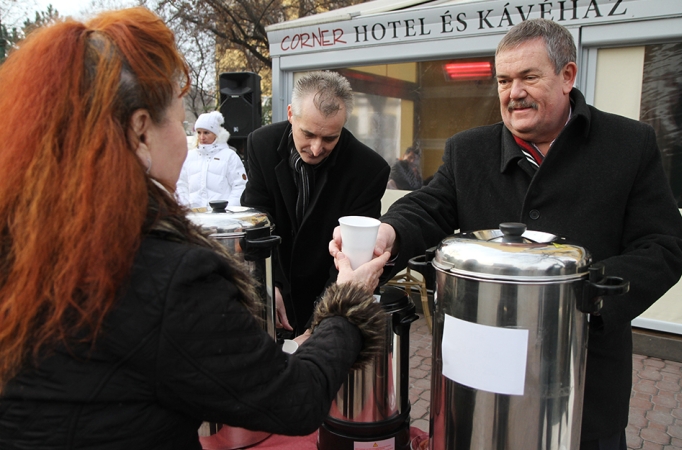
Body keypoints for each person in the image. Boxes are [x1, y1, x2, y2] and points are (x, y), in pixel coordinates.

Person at [0, 8, 391, 450]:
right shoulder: (172, 276)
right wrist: (349, 303)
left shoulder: (23, 235)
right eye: (180, 119)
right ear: (141, 131)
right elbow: (295, 399)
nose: (188, 138)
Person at [331, 18, 682, 450]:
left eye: (528, 77)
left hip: (583, 382)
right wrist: (390, 231)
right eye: (503, 79)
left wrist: (584, 296)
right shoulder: (469, 149)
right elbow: (428, 205)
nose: (513, 92)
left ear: (567, 76)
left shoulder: (629, 145)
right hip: (480, 382)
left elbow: (664, 246)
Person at [241, 71, 390, 338]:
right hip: (276, 290)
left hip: (332, 296)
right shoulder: (261, 144)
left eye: (330, 138)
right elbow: (257, 220)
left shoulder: (369, 170)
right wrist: (267, 284)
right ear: (290, 114)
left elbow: (353, 257)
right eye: (308, 134)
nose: (317, 147)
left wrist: (317, 326)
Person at [176, 111, 247, 209]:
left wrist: (229, 209)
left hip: (221, 217)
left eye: (206, 132)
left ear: (216, 134)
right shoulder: (189, 156)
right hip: (195, 217)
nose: (202, 137)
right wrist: (185, 206)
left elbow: (240, 185)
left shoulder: (229, 156)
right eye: (199, 132)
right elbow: (181, 184)